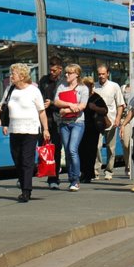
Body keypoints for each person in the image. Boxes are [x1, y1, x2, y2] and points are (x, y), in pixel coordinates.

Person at [0, 63, 49, 202]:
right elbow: (3, 106)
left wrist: (45, 129)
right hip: (14, 130)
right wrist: (4, 123)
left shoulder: (34, 91)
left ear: (22, 76)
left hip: (31, 130)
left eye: (13, 74)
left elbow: (41, 111)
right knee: (17, 159)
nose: (10, 76)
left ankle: (26, 190)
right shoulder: (9, 90)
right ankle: (24, 184)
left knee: (26, 159)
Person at [53, 63, 88, 192]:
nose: (66, 75)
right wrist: (70, 105)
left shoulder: (83, 88)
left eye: (69, 73)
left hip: (77, 122)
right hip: (64, 123)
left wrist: (64, 110)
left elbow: (82, 106)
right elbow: (56, 101)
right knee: (67, 151)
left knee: (73, 149)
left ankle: (75, 180)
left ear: (77, 74)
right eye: (66, 73)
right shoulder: (62, 86)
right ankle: (70, 178)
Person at [93, 64, 126, 180]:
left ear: (108, 73)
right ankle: (96, 171)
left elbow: (120, 104)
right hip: (97, 123)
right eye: (99, 74)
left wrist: (118, 118)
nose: (101, 76)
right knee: (96, 147)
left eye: (103, 74)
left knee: (111, 148)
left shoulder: (114, 86)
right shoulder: (94, 87)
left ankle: (109, 171)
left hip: (111, 122)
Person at [38, 56, 65, 190]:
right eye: (51, 70)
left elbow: (65, 101)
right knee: (42, 147)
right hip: (43, 118)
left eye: (54, 70)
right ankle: (43, 171)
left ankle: (54, 178)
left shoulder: (64, 82)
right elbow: (39, 95)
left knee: (56, 149)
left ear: (60, 69)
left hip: (57, 119)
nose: (52, 73)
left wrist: (52, 104)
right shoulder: (44, 80)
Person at [78, 77, 107, 183]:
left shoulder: (96, 97)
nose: (87, 87)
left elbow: (105, 110)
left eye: (89, 85)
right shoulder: (80, 96)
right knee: (81, 150)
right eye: (85, 85)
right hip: (80, 126)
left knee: (91, 151)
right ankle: (83, 172)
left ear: (92, 86)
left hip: (93, 128)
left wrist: (95, 108)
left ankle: (89, 174)